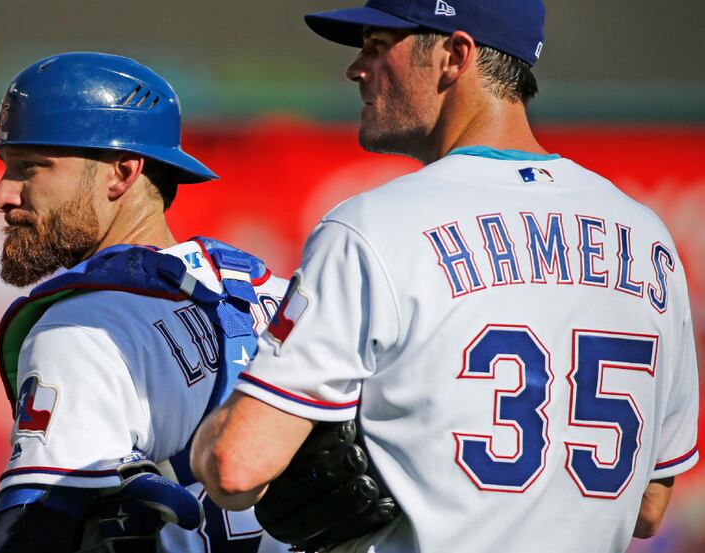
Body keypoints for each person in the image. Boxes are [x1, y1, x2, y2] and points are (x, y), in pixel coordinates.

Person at [190, 1, 700, 552]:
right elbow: (650, 506)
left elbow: (235, 466)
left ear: (456, 55)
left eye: (379, 45)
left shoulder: (371, 225)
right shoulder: (647, 237)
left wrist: (197, 446)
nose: (356, 67)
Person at [0, 52, 289, 553]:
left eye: (31, 168)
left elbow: (30, 539)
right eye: (7, 166)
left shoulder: (79, 330)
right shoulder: (280, 298)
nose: (2, 195)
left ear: (122, 172)